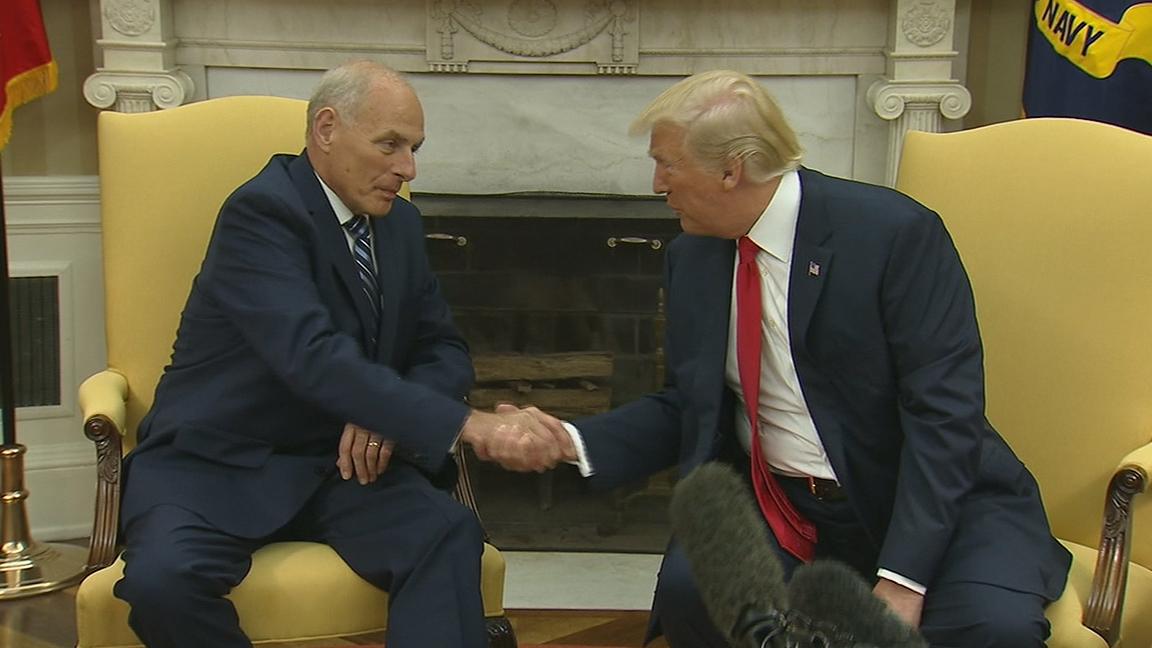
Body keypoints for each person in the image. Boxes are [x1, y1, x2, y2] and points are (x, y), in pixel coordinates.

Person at [532, 70, 1072, 647]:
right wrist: (573, 441)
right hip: (786, 507)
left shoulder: (893, 236)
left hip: (925, 503)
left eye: (667, 163)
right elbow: (689, 404)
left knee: (994, 630)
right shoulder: (693, 256)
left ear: (730, 170)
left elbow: (945, 418)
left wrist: (904, 579)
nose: (657, 184)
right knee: (696, 595)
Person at [112, 60, 571, 648]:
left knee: (446, 532)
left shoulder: (400, 225)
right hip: (219, 463)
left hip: (345, 467)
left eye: (414, 148)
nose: (407, 169)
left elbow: (443, 348)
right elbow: (312, 356)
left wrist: (387, 413)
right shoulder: (262, 213)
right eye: (390, 145)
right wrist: (466, 423)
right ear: (326, 129)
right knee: (162, 583)